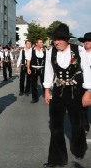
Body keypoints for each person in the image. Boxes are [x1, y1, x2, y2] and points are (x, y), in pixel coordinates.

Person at [43, 24, 91, 167]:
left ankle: (79, 149)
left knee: (77, 123)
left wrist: (88, 92)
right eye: (54, 39)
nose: (56, 42)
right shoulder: (51, 52)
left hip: (75, 91)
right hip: (58, 91)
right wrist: (47, 89)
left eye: (58, 39)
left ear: (66, 39)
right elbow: (49, 71)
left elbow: (87, 71)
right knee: (56, 126)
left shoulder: (79, 50)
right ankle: (57, 159)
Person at [78, 32, 91, 135]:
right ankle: (85, 126)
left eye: (89, 41)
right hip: (84, 82)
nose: (87, 42)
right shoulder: (80, 53)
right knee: (83, 106)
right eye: (85, 41)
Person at [27, 38, 45, 103]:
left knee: (44, 83)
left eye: (42, 42)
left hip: (42, 68)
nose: (42, 43)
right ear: (36, 43)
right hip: (34, 68)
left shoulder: (45, 50)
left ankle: (46, 94)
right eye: (40, 42)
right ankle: (35, 98)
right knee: (33, 84)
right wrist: (28, 68)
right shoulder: (31, 50)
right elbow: (28, 60)